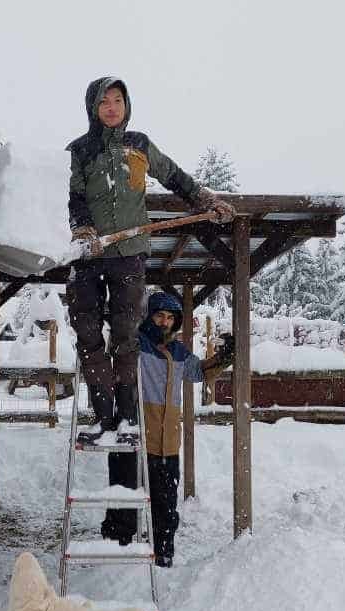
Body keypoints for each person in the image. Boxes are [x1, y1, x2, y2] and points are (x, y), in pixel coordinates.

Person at [66, 76, 235, 446]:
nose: (112, 107)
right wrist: (82, 229)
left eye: (118, 100)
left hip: (128, 256)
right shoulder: (80, 150)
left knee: (126, 337)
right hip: (90, 256)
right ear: (92, 108)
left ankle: (127, 420)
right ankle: (103, 418)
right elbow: (75, 196)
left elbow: (174, 176)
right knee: (89, 335)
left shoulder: (139, 145)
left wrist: (206, 200)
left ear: (126, 106)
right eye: (104, 101)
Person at [101, 291, 235, 567]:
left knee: (165, 504)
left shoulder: (178, 352)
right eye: (159, 316)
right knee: (124, 499)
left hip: (167, 442)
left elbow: (198, 372)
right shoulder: (135, 345)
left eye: (170, 318)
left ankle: (163, 555)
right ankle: (118, 557)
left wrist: (224, 357)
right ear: (149, 316)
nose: (164, 323)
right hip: (135, 435)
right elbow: (114, 346)